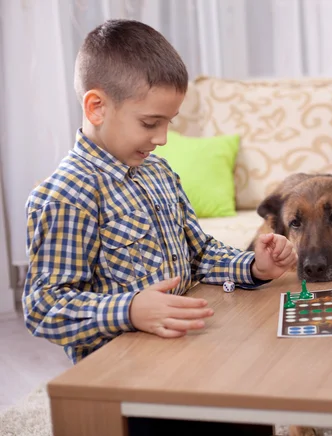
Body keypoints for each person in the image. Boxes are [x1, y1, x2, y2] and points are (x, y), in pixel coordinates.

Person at [22, 19, 296, 436]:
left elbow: (199, 253)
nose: (164, 138)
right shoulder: (65, 196)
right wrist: (130, 309)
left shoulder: (158, 172)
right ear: (96, 107)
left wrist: (252, 268)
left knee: (251, 405)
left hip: (188, 350)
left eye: (170, 121)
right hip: (127, 377)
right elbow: (44, 305)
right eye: (151, 123)